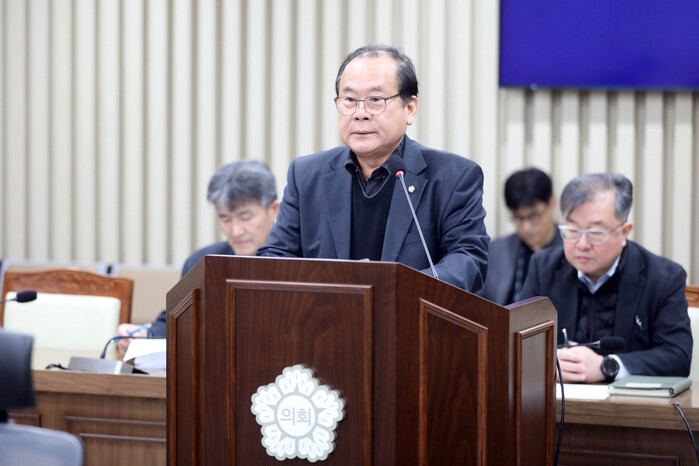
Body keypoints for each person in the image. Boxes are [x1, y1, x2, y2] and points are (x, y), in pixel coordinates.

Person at [257, 45, 489, 291]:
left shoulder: (453, 177)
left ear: (410, 109)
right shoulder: (306, 175)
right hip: (326, 314)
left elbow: (468, 260)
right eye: (349, 100)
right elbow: (277, 256)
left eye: (375, 100)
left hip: (411, 312)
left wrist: (395, 290)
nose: (360, 113)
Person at [520, 173, 692, 383]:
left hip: (629, 402)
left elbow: (678, 357)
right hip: (558, 400)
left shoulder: (664, 278)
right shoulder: (543, 268)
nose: (582, 244)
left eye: (595, 233)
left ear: (624, 232)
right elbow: (515, 341)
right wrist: (545, 362)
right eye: (572, 230)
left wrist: (608, 366)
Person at [116, 160, 279, 353]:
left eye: (245, 217)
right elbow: (178, 321)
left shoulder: (300, 262)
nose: (235, 231)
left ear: (274, 210)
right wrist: (143, 335)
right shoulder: (202, 262)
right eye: (225, 218)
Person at [478, 168, 561, 305]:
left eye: (534, 216)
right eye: (518, 218)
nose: (526, 227)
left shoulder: (571, 250)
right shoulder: (496, 251)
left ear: (552, 203)